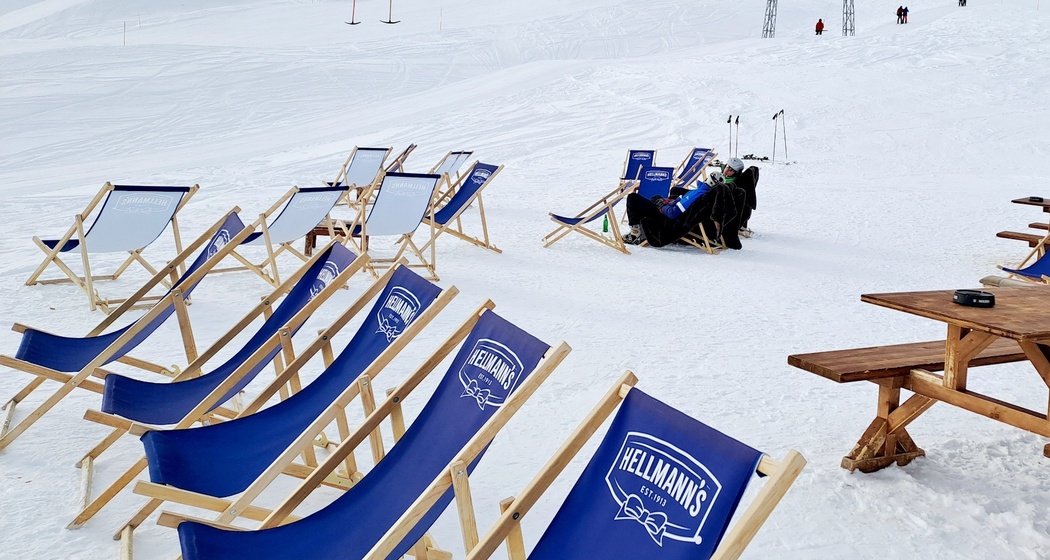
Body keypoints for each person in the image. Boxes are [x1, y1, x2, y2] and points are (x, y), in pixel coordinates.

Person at [623, 157, 745, 245]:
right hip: (671, 210)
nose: (727, 170)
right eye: (727, 167)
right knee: (656, 197)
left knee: (633, 199)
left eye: (731, 169)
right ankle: (641, 229)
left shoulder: (698, 194)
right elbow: (681, 202)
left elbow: (673, 213)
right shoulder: (703, 192)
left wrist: (661, 206)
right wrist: (668, 201)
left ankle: (635, 233)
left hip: (667, 220)